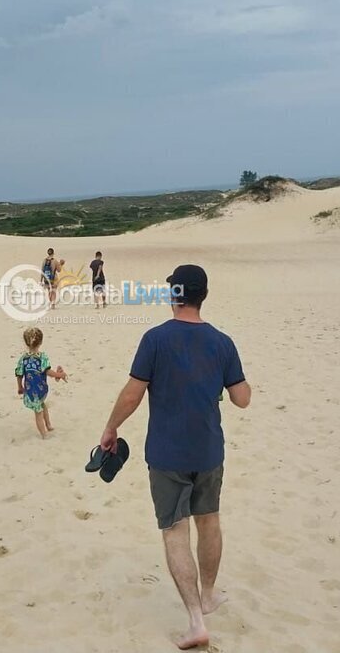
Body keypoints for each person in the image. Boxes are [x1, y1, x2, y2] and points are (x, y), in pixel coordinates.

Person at [98, 264, 251, 650]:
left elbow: (133, 393)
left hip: (167, 453)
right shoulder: (222, 342)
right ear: (203, 296)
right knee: (209, 520)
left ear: (174, 295)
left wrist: (111, 427)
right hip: (209, 450)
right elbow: (242, 398)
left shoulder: (155, 339)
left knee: (175, 528)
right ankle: (209, 594)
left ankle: (196, 621)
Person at [14, 327, 67, 439]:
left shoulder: (23, 359)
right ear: (41, 342)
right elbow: (48, 371)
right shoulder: (42, 357)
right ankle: (44, 434)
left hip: (31, 391)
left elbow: (19, 374)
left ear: (26, 343)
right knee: (39, 412)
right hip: (39, 390)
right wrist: (59, 375)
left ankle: (48, 425)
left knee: (42, 407)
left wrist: (20, 387)